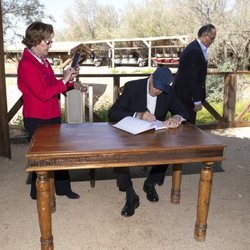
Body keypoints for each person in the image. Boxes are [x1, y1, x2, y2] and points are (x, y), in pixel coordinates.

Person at [108, 67, 188, 217]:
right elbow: (113, 113)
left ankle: (150, 182)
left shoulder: (168, 92)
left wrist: (176, 118)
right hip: (129, 135)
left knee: (168, 148)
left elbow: (183, 111)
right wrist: (138, 115)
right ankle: (130, 194)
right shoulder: (133, 86)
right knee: (119, 154)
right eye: (155, 86)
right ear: (150, 77)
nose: (157, 91)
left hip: (154, 135)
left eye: (161, 89)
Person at [17, 21, 80, 200]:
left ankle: (63, 188)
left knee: (58, 153)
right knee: (41, 158)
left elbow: (53, 86)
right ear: (35, 41)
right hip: (37, 118)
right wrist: (63, 80)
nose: (50, 45)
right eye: (47, 42)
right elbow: (43, 94)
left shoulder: (42, 61)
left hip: (51, 115)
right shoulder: (27, 64)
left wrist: (68, 79)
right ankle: (37, 191)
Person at [174, 24, 216, 124]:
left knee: (187, 127)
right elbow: (191, 77)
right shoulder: (194, 50)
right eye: (212, 38)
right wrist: (196, 100)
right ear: (203, 36)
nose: (213, 41)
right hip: (185, 96)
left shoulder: (197, 48)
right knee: (187, 127)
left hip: (186, 95)